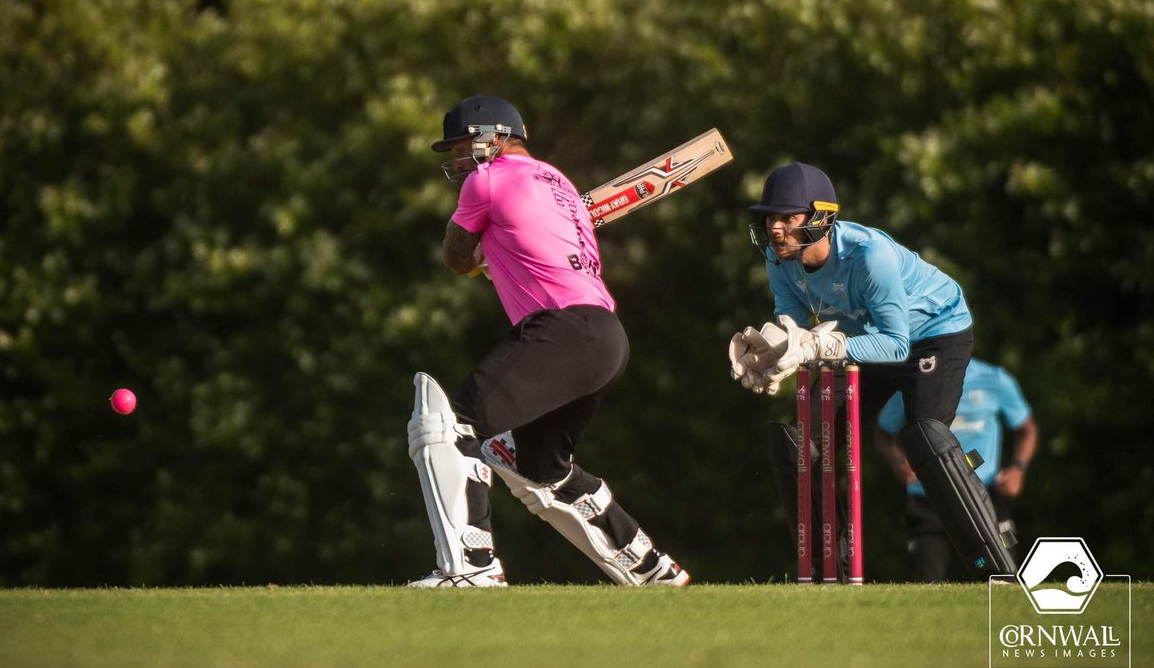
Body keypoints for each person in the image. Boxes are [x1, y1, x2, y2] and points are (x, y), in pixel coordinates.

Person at [405, 95, 689, 588]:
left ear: (489, 139)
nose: (454, 160)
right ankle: (649, 568)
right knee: (537, 465)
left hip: (561, 329)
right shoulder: (560, 182)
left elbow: (455, 255)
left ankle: (471, 568)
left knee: (449, 425)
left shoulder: (485, 179)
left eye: (458, 146)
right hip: (605, 337)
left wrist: (478, 262)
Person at [727, 161, 1017, 581]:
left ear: (821, 217)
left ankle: (997, 568)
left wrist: (819, 345)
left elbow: (896, 344)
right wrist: (772, 358)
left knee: (924, 435)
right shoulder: (780, 259)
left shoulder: (869, 255)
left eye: (788, 217)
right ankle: (830, 570)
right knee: (801, 440)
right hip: (865, 339)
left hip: (934, 333)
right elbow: (795, 328)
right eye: (771, 217)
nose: (775, 228)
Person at [874, 358, 1039, 581]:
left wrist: (1018, 469)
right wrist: (898, 462)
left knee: (1004, 580)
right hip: (928, 499)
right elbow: (883, 434)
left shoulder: (995, 379)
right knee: (926, 583)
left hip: (985, 496)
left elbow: (1027, 429)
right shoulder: (913, 382)